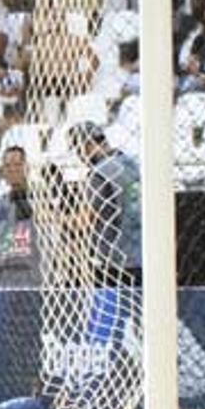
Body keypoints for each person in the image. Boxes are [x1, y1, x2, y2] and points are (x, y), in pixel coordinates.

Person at [73, 122, 141, 286]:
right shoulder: (131, 164)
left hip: (113, 261)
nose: (80, 157)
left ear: (87, 146)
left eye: (79, 150)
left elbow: (85, 221)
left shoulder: (99, 174)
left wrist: (52, 217)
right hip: (140, 253)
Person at [0, 145, 41, 287]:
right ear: (3, 171)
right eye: (8, 166)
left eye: (18, 164)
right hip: (3, 276)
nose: (13, 169)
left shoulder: (40, 199)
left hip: (32, 275)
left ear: (27, 167)